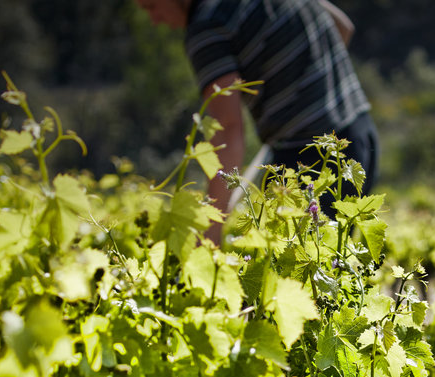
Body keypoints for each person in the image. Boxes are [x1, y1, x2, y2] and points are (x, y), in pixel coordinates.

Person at [134, 0, 379, 242]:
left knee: (301, 272)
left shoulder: (208, 24)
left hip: (309, 161)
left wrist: (211, 229)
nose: (155, 21)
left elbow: (228, 129)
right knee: (334, 268)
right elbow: (343, 27)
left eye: (151, 6)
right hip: (360, 137)